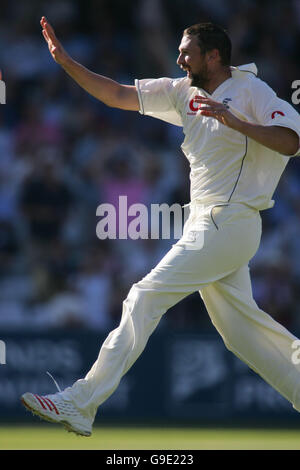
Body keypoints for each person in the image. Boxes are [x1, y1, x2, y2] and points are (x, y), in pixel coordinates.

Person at [21, 18, 300, 437]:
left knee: (143, 296)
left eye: (186, 52)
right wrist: (66, 62)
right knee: (242, 334)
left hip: (231, 220)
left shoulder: (252, 92)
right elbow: (116, 94)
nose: (178, 58)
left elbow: (292, 140)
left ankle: (81, 401)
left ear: (214, 56)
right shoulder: (179, 91)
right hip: (203, 224)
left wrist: (236, 122)